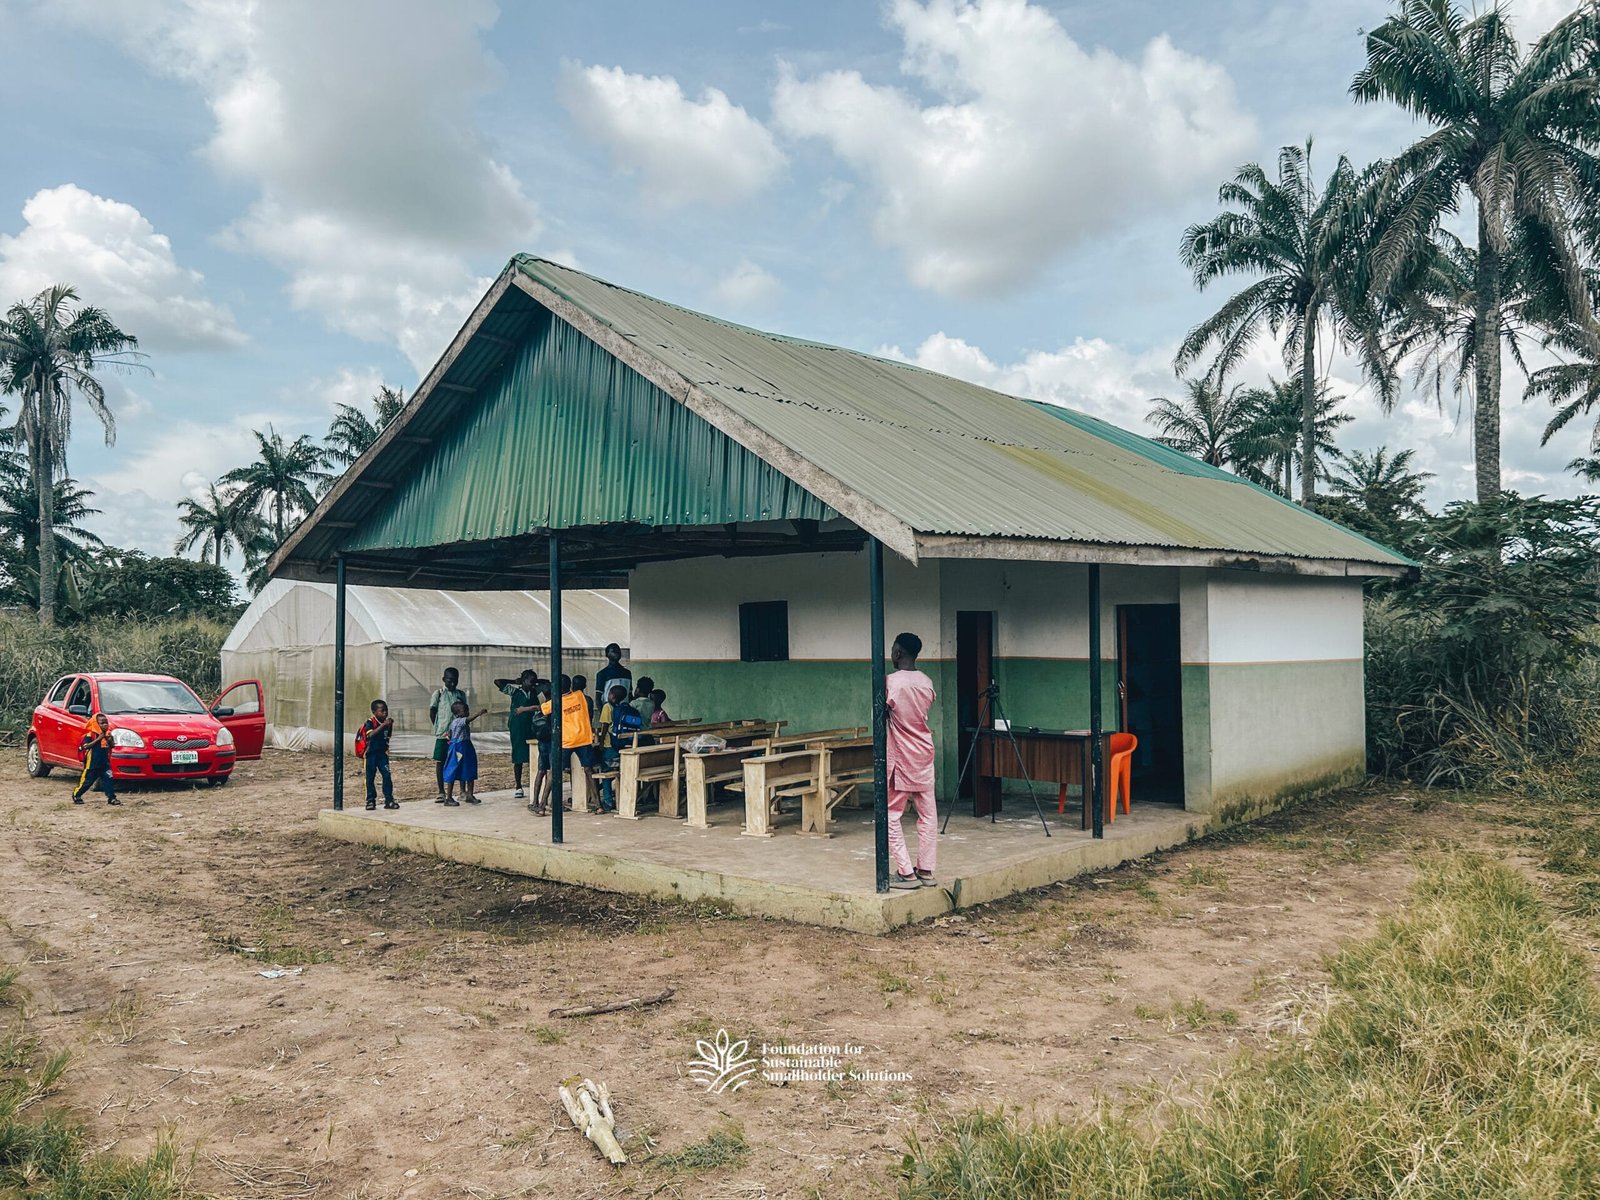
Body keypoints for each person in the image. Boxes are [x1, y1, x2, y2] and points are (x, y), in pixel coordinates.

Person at [885, 632, 938, 889]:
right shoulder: (926, 682)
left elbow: (883, 708)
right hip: (924, 753)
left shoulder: (891, 683)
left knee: (891, 815)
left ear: (898, 654)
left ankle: (905, 872)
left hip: (901, 758)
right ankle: (926, 869)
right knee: (928, 815)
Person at [540, 674, 597, 812]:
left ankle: (542, 805)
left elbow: (542, 709)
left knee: (554, 772)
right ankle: (599, 805)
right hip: (584, 738)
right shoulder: (580, 696)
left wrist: (524, 709)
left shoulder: (556, 702)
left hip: (567, 741)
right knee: (589, 770)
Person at [494, 669, 539, 798]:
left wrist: (535, 682)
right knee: (518, 755)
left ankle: (534, 782)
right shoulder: (515, 691)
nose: (533, 684)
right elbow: (497, 682)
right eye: (531, 682)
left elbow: (547, 682)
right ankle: (518, 785)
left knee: (534, 754)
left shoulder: (534, 691)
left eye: (535, 682)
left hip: (531, 725)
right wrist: (514, 681)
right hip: (518, 726)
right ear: (523, 681)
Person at [595, 682, 636, 812]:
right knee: (619, 770)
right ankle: (621, 796)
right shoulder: (625, 707)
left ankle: (608, 800)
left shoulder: (608, 707)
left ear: (612, 695)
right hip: (622, 745)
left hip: (609, 744)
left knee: (606, 772)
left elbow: (605, 726)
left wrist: (601, 742)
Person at [429, 667, 467, 802]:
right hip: (442, 734)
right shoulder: (438, 694)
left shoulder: (461, 694)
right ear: (443, 679)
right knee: (440, 761)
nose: (452, 683)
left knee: (460, 760)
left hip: (459, 735)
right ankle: (441, 791)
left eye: (455, 680)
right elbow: (432, 712)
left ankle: (463, 791)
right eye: (449, 680)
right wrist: (439, 727)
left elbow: (465, 712)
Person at [441, 700, 488, 806]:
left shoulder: (456, 723)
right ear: (457, 713)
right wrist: (478, 714)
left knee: (470, 769)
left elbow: (451, 733)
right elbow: (467, 720)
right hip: (458, 748)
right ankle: (448, 797)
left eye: (467, 710)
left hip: (466, 746)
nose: (467, 712)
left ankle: (470, 794)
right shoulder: (457, 721)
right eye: (464, 710)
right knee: (453, 770)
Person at [73, 713, 120, 806]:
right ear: (96, 724)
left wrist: (109, 739)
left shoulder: (108, 734)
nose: (105, 725)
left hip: (105, 762)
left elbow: (112, 745)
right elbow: (86, 746)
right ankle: (76, 795)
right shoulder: (90, 735)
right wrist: (98, 739)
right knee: (87, 781)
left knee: (108, 780)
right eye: (102, 723)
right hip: (92, 763)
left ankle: (112, 798)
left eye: (106, 722)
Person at [361, 700, 398, 810]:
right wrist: (383, 725)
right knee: (370, 778)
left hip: (382, 754)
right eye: (382, 711)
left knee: (387, 775)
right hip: (371, 754)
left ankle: (389, 800)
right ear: (374, 712)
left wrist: (389, 726)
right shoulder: (370, 722)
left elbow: (388, 735)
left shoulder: (386, 722)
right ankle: (370, 800)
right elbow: (370, 735)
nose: (385, 713)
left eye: (386, 710)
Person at [529, 680, 555, 815]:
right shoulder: (554, 704)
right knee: (551, 771)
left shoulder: (544, 704)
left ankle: (534, 801)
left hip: (542, 741)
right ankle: (543, 803)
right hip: (552, 741)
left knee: (541, 771)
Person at [593, 643, 631, 709]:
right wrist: (602, 713)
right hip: (609, 709)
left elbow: (630, 694)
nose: (617, 653)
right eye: (613, 651)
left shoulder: (627, 673)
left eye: (618, 651)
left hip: (625, 710)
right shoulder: (602, 674)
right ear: (607, 655)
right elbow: (598, 698)